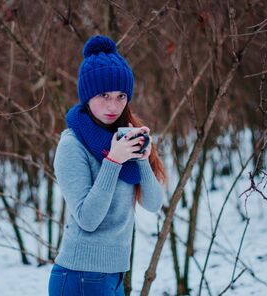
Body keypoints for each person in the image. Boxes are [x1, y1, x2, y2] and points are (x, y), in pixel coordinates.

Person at [48, 35, 167, 296]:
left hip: (112, 276)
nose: (114, 105)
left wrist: (143, 159)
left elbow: (154, 204)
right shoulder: (72, 145)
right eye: (104, 95)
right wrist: (113, 162)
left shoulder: (125, 137)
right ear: (87, 96)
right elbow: (88, 219)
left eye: (121, 95)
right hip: (79, 276)